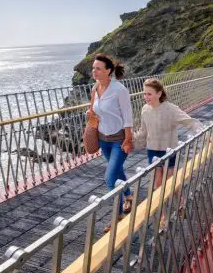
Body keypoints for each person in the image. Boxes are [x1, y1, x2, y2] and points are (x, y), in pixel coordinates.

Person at [133, 78, 204, 227]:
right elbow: (142, 133)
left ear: (159, 93)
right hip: (152, 149)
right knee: (158, 183)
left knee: (171, 180)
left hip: (169, 149)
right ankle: (163, 215)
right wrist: (129, 139)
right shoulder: (145, 110)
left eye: (149, 94)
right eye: (144, 94)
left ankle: (181, 202)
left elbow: (189, 122)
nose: (145, 97)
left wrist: (207, 135)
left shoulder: (171, 109)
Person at [87, 54, 133, 233]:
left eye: (98, 68)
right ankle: (128, 195)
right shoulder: (95, 87)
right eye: (93, 68)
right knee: (118, 171)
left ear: (108, 71)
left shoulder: (119, 89)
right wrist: (89, 115)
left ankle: (118, 214)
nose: (94, 71)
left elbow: (128, 117)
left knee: (110, 177)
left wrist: (128, 139)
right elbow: (93, 111)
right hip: (102, 138)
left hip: (119, 139)